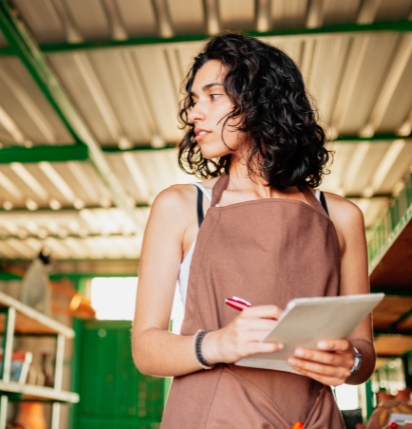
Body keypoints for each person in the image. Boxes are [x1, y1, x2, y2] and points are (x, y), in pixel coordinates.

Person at [131, 34, 375, 428]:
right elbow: (146, 348)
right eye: (194, 100)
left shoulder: (341, 216)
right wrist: (220, 342)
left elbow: (363, 354)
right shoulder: (181, 206)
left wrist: (352, 361)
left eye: (212, 96)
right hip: (213, 416)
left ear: (263, 100)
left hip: (315, 418)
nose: (195, 113)